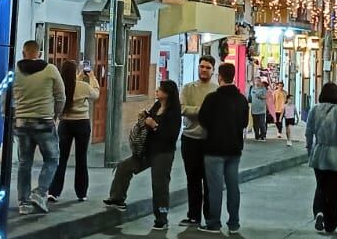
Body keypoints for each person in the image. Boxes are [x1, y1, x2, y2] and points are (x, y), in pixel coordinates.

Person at [103, 80, 181, 228]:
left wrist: (155, 125)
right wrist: (145, 117)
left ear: (167, 94)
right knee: (124, 167)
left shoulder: (174, 112)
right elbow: (148, 121)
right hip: (146, 150)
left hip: (163, 153)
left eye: (160, 89)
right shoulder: (157, 105)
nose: (156, 91)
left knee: (160, 185)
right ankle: (117, 198)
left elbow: (171, 136)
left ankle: (161, 218)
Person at [12, 40, 64, 214]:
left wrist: (11, 117)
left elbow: (6, 97)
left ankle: (23, 203)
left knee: (24, 163)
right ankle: (40, 192)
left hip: (21, 122)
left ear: (23, 52)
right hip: (44, 121)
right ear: (39, 53)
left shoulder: (15, 71)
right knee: (52, 159)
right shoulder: (50, 70)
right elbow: (61, 96)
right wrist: (56, 114)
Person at [198, 62, 250, 232]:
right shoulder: (241, 99)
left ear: (219, 76)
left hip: (214, 149)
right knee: (233, 186)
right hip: (234, 149)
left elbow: (203, 120)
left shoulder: (212, 98)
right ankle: (234, 222)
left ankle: (214, 222)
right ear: (233, 77)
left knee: (215, 188)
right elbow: (244, 123)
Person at [178, 55, 217, 227]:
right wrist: (202, 111)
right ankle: (193, 216)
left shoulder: (216, 91)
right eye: (202, 66)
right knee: (193, 179)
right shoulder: (188, 88)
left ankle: (210, 217)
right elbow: (182, 108)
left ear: (213, 70)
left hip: (209, 141)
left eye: (208, 67)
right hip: (190, 139)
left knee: (209, 181)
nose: (204, 70)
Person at [305, 82, 337, 232]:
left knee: (321, 186)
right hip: (336, 155)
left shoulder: (314, 110)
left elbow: (308, 132)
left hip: (319, 152)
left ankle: (319, 212)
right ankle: (331, 222)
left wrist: (309, 149)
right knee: (334, 189)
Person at [51, 60, 97, 202]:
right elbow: (95, 94)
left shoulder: (59, 86)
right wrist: (92, 78)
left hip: (65, 124)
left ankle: (54, 192)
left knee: (61, 158)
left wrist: (77, 76)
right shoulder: (83, 86)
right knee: (81, 158)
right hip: (82, 124)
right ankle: (81, 193)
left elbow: (69, 89)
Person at [247, 76, 270, 141]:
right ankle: (257, 136)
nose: (257, 82)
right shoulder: (252, 88)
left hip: (262, 109)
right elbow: (250, 97)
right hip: (254, 109)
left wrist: (259, 96)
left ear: (260, 82)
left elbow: (266, 97)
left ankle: (263, 136)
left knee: (262, 123)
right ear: (254, 82)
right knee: (255, 124)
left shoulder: (263, 89)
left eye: (258, 81)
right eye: (256, 81)